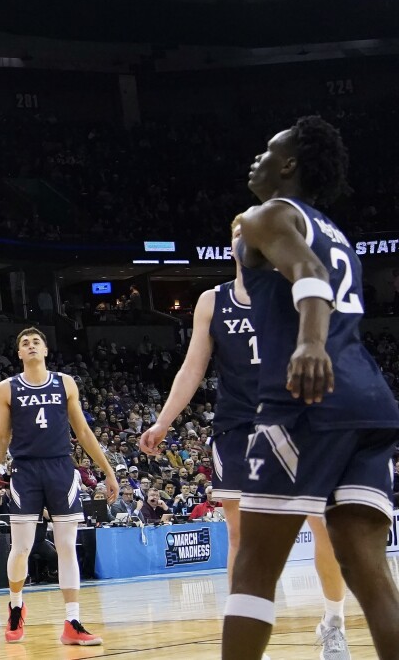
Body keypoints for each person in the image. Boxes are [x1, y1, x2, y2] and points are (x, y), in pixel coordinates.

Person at [221, 117, 399, 660]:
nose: (257, 160)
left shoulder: (267, 215)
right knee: (369, 573)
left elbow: (309, 273)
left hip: (307, 399)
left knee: (254, 564)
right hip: (369, 402)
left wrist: (310, 343)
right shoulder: (336, 230)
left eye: (268, 150)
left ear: (291, 163)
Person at [139, 219, 354, 657]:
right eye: (239, 235)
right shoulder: (210, 301)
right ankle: (251, 637)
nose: (245, 242)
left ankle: (334, 621)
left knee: (324, 527)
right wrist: (163, 421)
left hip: (296, 422)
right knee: (241, 535)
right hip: (237, 426)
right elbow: (192, 367)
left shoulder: (292, 292)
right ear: (231, 247)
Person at [0, 328, 118, 647]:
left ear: (45, 350)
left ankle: (72, 621)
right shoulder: (7, 388)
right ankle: (16, 606)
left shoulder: (65, 383)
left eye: (35, 342)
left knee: (67, 546)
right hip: (26, 470)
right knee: (21, 547)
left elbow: (82, 431)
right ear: (18, 354)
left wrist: (107, 470)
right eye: (24, 344)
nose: (30, 346)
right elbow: (2, 437)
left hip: (60, 468)